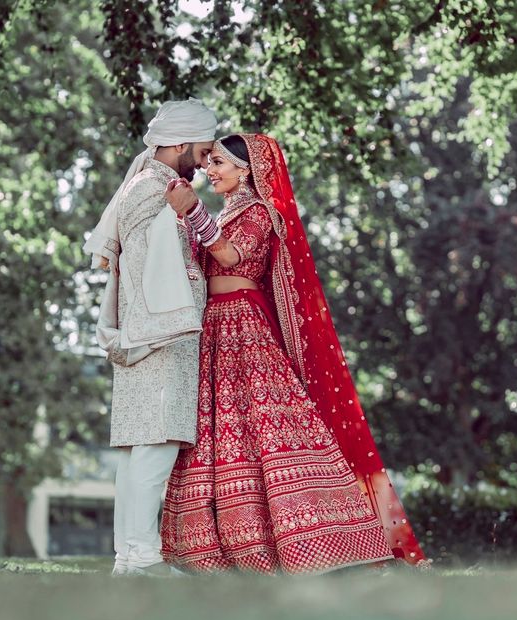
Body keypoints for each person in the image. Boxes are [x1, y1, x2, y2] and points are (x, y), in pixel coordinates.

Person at [159, 134, 427, 574]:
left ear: (246, 170)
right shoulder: (225, 213)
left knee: (269, 429)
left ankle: (321, 540)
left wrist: (191, 210)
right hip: (212, 328)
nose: (210, 169)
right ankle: (221, 548)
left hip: (245, 327)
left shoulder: (262, 214)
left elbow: (228, 256)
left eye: (220, 162)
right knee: (219, 433)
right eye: (210, 162)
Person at [83, 99, 216, 576]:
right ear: (179, 143)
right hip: (161, 334)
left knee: (141, 448)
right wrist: (155, 328)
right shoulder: (155, 189)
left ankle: (130, 557)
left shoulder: (149, 184)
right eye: (201, 151)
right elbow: (143, 267)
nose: (205, 160)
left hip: (152, 332)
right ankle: (140, 558)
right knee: (154, 446)